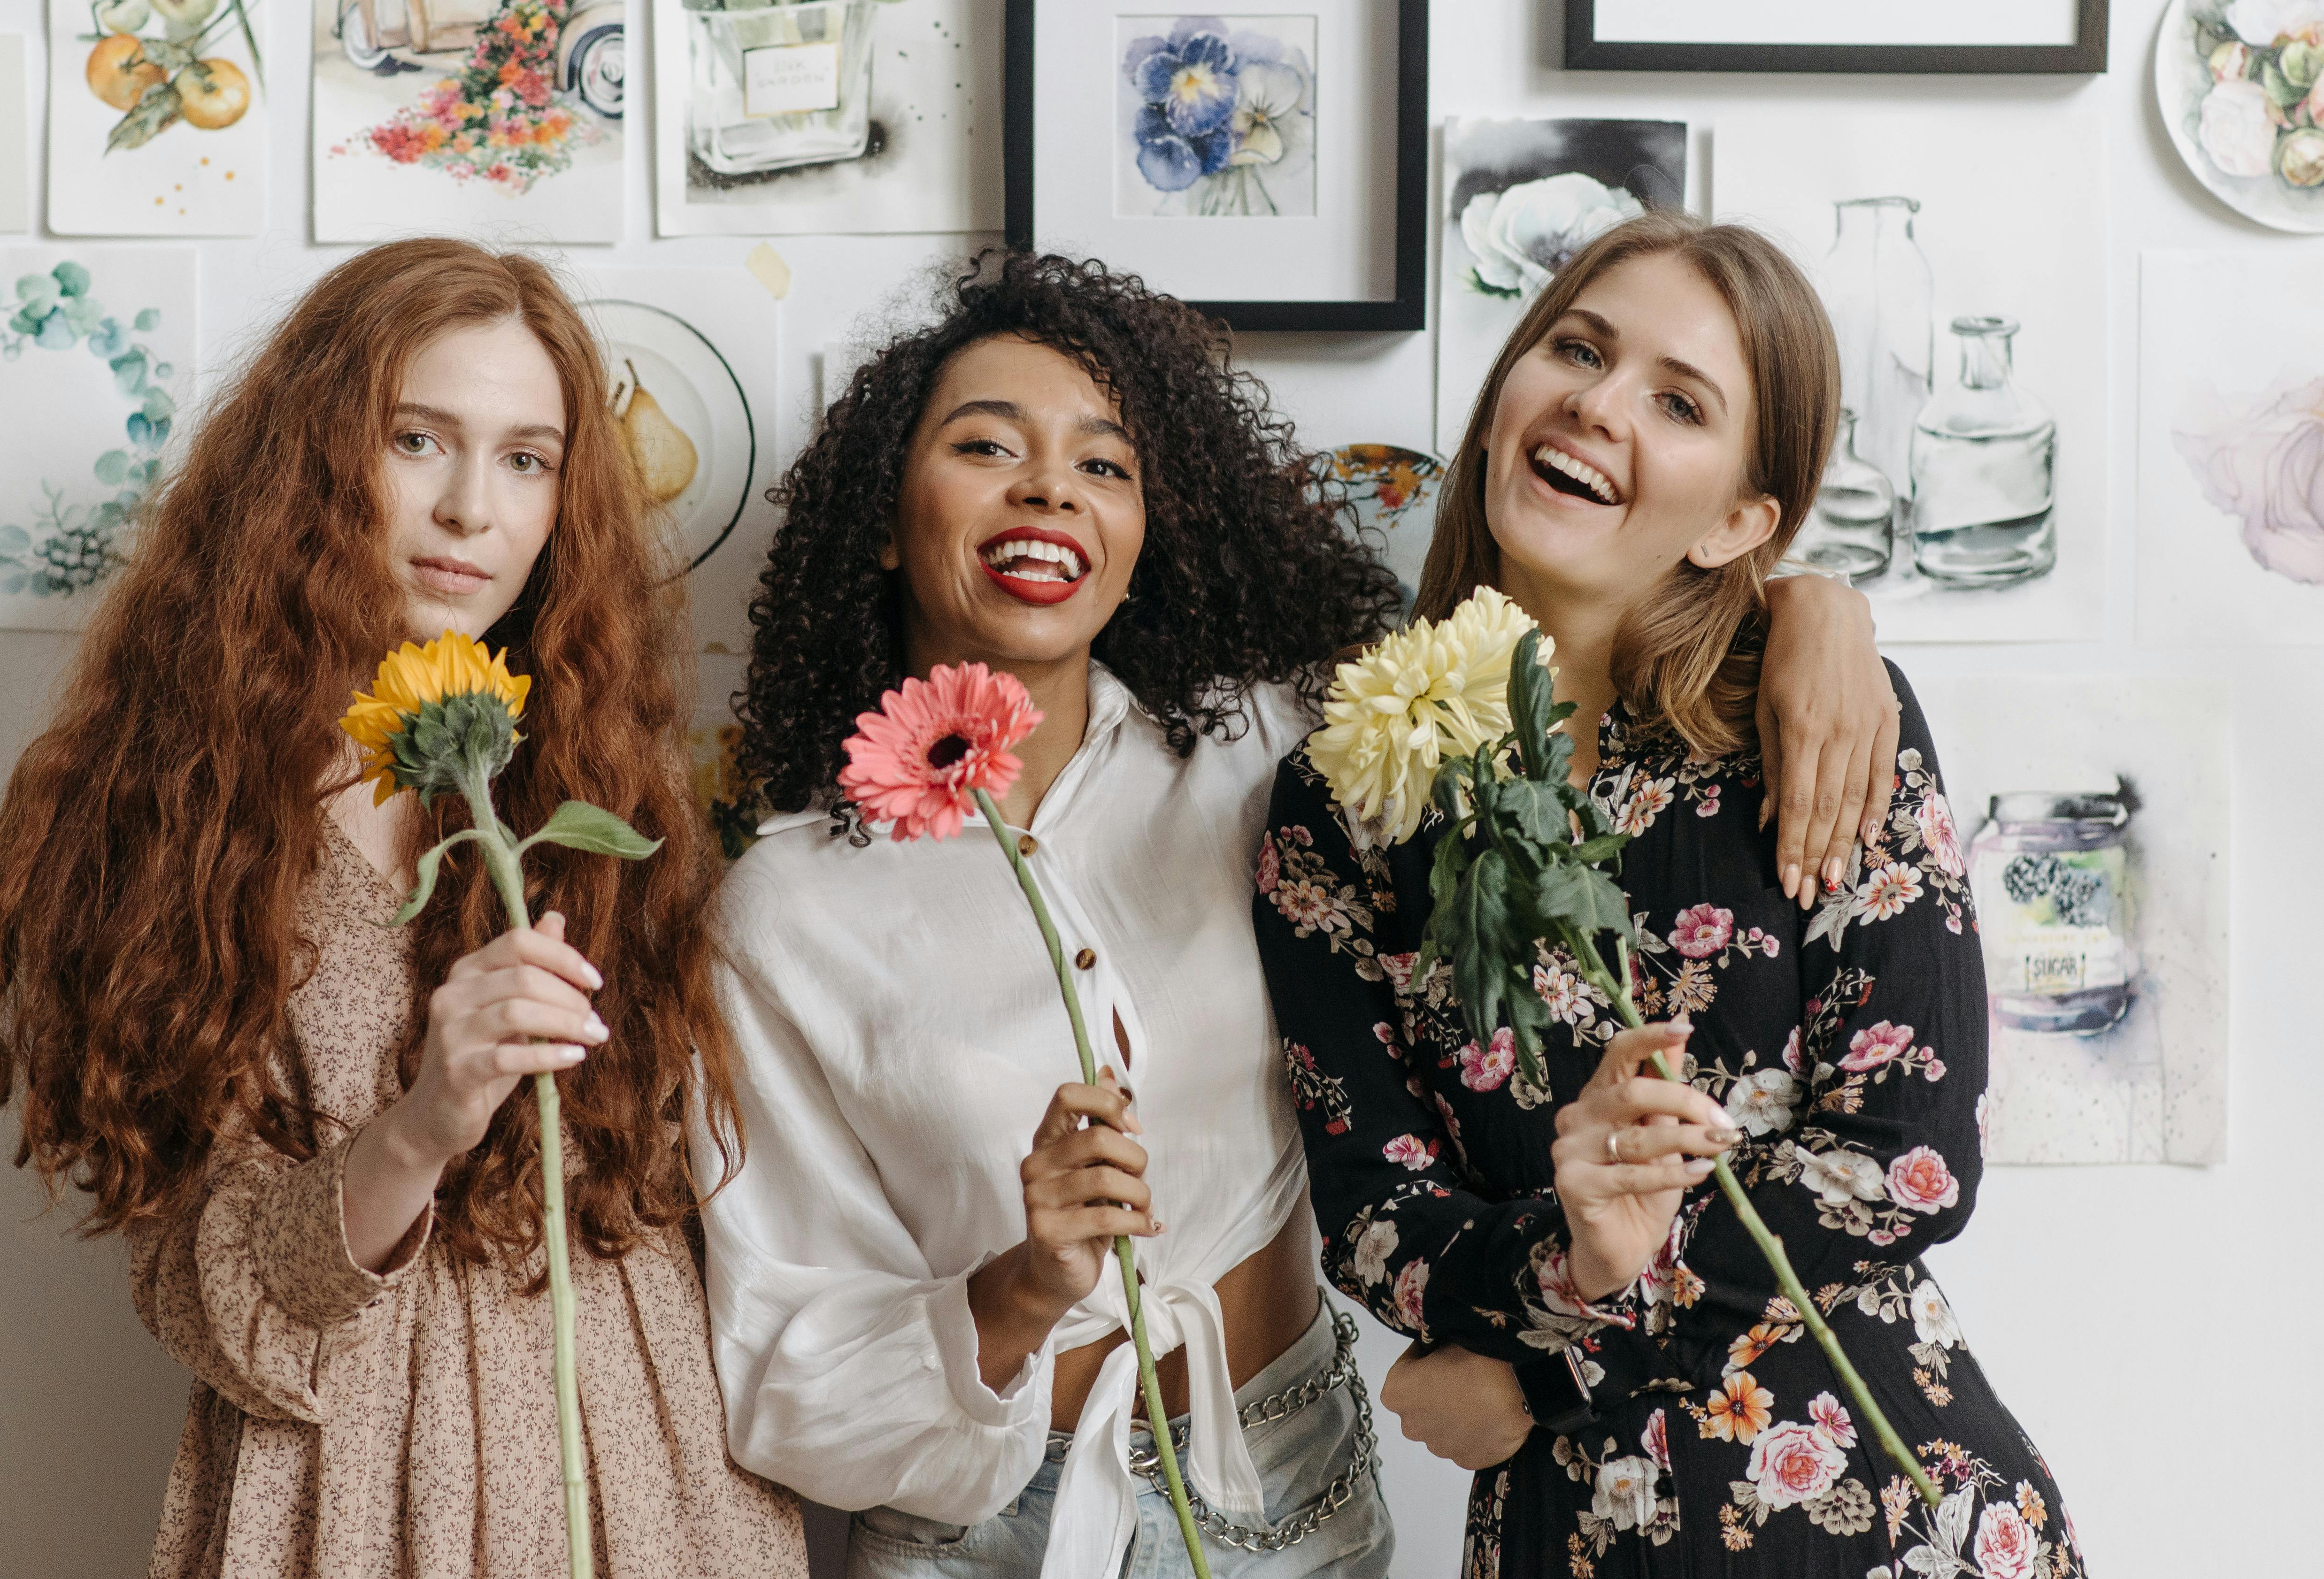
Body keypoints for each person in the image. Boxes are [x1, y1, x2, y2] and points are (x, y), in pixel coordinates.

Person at [694, 250, 1897, 1579]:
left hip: (1291, 1493)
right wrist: (1020, 1287)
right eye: (986, 446)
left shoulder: (1281, 755)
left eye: (1104, 466)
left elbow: (1576, 588)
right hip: (989, 1533)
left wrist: (1810, 607)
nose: (1047, 487)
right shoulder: (780, 910)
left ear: (1148, 534)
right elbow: (779, 1377)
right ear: (883, 508)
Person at [0, 239, 807, 1579]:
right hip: (345, 1482)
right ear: (315, 460)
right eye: (418, 439)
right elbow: (202, 1294)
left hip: (632, 1461)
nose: (472, 509)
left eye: (527, 459)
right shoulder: (177, 813)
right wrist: (426, 1122)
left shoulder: (596, 777)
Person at [1253, 212, 2084, 1577]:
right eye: (1575, 348)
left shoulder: (1813, 725)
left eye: (1677, 400)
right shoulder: (1345, 793)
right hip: (1562, 1540)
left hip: (1879, 1514)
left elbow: (1906, 1160)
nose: (1595, 401)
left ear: (1740, 521)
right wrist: (1570, 1261)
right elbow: (1374, 1217)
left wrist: (1554, 1359)